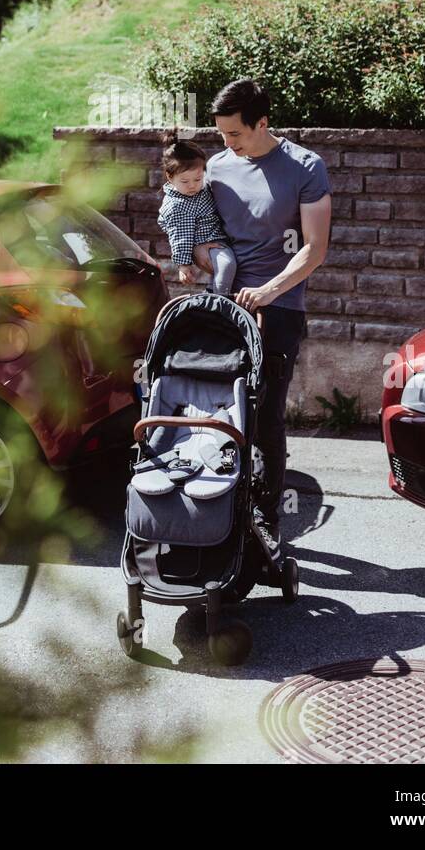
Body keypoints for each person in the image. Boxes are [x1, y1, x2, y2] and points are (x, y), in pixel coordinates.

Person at [199, 77, 332, 569]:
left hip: (278, 309)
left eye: (236, 134)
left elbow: (315, 249)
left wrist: (269, 292)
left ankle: (267, 523)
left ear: (262, 123)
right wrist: (198, 259)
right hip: (224, 305)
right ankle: (216, 516)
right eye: (221, 135)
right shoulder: (215, 167)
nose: (227, 144)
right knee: (218, 412)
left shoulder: (305, 167)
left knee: (267, 417)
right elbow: (204, 234)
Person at [156, 139, 237, 295]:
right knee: (227, 264)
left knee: (222, 270)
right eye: (185, 181)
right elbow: (180, 236)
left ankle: (212, 292)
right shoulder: (177, 205)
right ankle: (222, 300)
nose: (192, 185)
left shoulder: (201, 189)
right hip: (207, 243)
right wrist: (184, 265)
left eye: (198, 179)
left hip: (218, 237)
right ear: (170, 177)